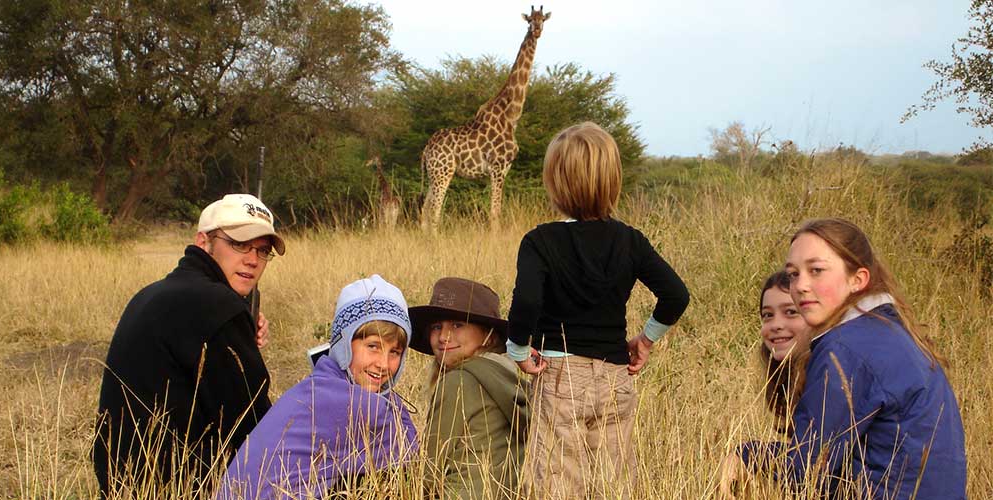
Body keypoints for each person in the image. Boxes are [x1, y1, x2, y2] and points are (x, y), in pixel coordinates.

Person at [506, 122, 691, 498]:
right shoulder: (630, 240)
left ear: (555, 183)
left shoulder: (539, 241)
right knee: (614, 485)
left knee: (558, 484)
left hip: (559, 378)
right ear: (613, 181)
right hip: (615, 378)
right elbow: (676, 294)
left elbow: (526, 301)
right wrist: (646, 339)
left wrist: (518, 351)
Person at [720, 218, 967, 499]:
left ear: (858, 280)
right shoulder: (887, 331)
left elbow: (806, 467)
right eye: (793, 274)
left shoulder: (846, 346)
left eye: (817, 271)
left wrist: (747, 454)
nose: (800, 285)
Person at [93, 193, 285, 495]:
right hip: (175, 486)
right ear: (203, 242)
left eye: (262, 251)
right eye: (238, 244)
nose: (252, 260)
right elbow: (254, 427)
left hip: (123, 482)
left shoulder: (155, 292)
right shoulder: (216, 305)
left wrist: (241, 331)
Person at [217, 274, 418, 499]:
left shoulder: (319, 385)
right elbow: (411, 462)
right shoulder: (353, 403)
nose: (383, 363)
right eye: (373, 346)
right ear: (343, 343)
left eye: (395, 352)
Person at [409, 277, 530, 500]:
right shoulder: (509, 378)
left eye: (457, 324)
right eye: (437, 327)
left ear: (488, 334)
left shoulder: (458, 382)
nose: (444, 337)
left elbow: (428, 470)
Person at [756, 270, 813, 430]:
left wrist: (748, 451)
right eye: (767, 315)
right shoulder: (787, 379)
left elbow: (815, 450)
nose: (776, 325)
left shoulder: (829, 375)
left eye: (791, 312)